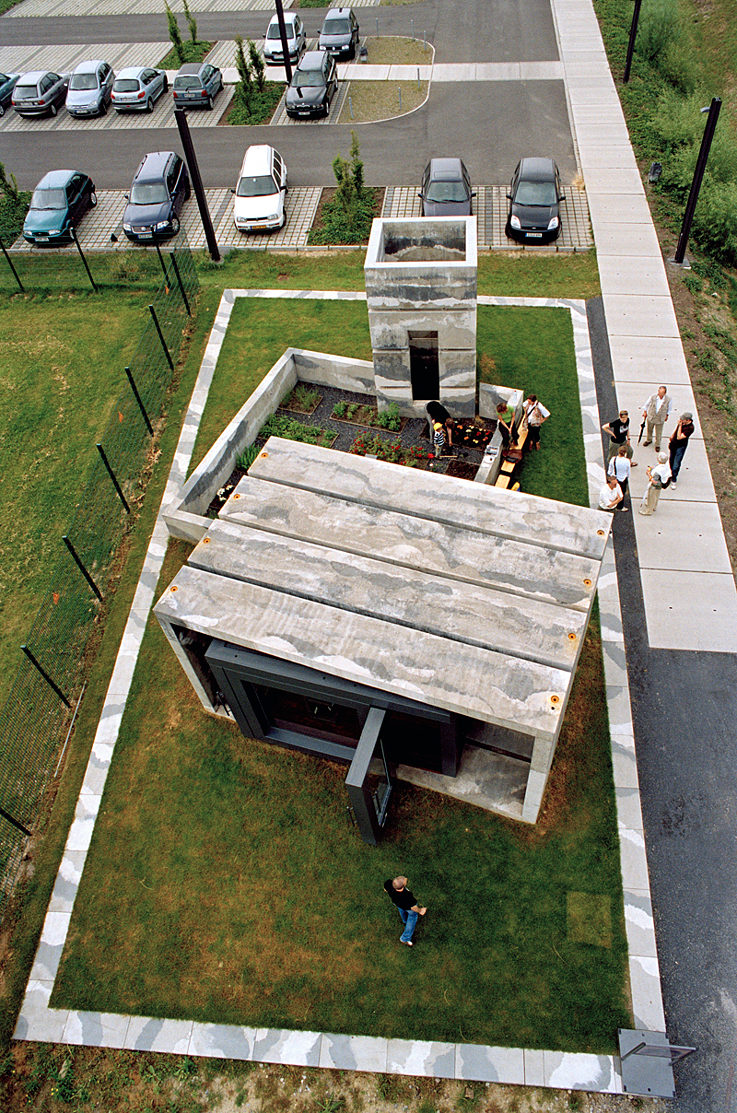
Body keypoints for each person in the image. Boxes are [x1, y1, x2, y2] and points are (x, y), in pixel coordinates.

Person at [383, 876, 427, 947]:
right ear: (402, 886)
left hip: (397, 903)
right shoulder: (407, 896)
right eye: (404, 881)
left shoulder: (388, 883)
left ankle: (405, 921)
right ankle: (405, 938)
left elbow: (385, 889)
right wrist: (420, 910)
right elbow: (413, 907)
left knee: (402, 910)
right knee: (412, 917)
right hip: (408, 907)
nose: (405, 879)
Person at [668, 411, 695, 488]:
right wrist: (672, 436)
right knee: (671, 460)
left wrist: (680, 426)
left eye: (683, 419)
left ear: (688, 420)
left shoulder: (690, 428)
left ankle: (674, 479)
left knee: (676, 464)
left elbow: (679, 437)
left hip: (680, 446)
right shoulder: (682, 423)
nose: (681, 420)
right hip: (674, 445)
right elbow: (676, 432)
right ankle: (670, 474)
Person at [642, 386, 672, 452]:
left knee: (659, 432)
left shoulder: (668, 400)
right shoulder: (653, 397)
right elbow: (646, 404)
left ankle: (657, 444)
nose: (660, 394)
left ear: (665, 393)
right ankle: (649, 440)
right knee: (649, 430)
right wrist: (645, 412)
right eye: (659, 392)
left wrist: (667, 415)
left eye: (662, 393)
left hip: (660, 419)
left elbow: (669, 409)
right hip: (651, 417)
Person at [607, 445, 631, 510]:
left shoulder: (613, 459)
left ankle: (611, 503)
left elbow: (609, 471)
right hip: (623, 480)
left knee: (613, 491)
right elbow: (628, 472)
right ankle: (620, 506)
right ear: (625, 453)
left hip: (614, 478)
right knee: (621, 493)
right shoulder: (627, 461)